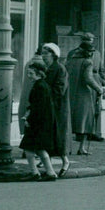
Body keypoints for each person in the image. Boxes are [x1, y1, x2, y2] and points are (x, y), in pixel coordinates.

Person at [19, 61, 59, 181]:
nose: (29, 76)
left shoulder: (39, 87)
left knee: (30, 147)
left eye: (31, 73)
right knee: (39, 148)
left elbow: (38, 107)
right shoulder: (42, 85)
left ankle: (35, 172)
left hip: (38, 123)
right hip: (43, 123)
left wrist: (29, 119)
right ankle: (50, 172)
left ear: (39, 74)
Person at [66, 36, 105, 155]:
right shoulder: (87, 62)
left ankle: (68, 147)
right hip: (85, 92)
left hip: (71, 90)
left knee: (71, 119)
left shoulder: (71, 60)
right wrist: (99, 88)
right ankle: (82, 147)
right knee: (87, 119)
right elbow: (88, 78)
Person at [41, 42, 71, 176]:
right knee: (51, 134)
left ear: (53, 55)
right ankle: (48, 161)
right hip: (50, 107)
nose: (43, 56)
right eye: (42, 53)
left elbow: (59, 90)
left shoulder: (59, 69)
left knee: (58, 135)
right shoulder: (49, 68)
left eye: (46, 54)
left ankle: (65, 161)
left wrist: (46, 97)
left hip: (58, 108)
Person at [18, 53, 46, 155]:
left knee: (28, 126)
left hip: (27, 96)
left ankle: (27, 150)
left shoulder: (29, 63)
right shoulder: (42, 66)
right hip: (36, 99)